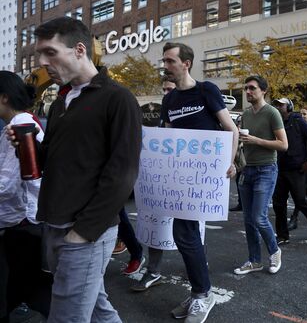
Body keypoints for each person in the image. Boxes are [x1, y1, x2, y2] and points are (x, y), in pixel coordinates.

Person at [13, 17, 142, 322]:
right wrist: (24, 147)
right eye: (39, 55)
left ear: (79, 50)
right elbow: (51, 161)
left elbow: (123, 174)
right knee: (97, 308)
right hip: (55, 224)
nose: (43, 63)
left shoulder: (118, 98)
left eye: (50, 52)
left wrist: (81, 233)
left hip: (85, 233)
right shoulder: (61, 102)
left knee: (66, 316)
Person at [160, 42, 238, 323]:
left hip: (203, 179)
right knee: (187, 234)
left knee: (186, 233)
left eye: (170, 61)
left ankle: (203, 294)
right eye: (165, 61)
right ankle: (199, 293)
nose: (165, 65)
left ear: (186, 63)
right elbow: (167, 141)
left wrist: (229, 162)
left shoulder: (206, 90)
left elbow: (231, 129)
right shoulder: (169, 101)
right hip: (180, 178)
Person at [0, 71, 52, 322]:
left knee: (27, 289)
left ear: (3, 97)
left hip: (22, 222)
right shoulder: (21, 121)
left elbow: (7, 185)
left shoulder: (20, 126)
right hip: (24, 221)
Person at [234, 76, 288, 275]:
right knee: (248, 219)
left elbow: (283, 145)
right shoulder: (246, 114)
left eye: (252, 88)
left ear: (263, 90)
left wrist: (255, 140)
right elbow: (243, 142)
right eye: (246, 88)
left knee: (258, 217)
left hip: (266, 170)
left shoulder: (272, 112)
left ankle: (274, 251)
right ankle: (254, 260)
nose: (248, 91)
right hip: (247, 170)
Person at [131, 79, 176, 293]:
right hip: (158, 181)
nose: (166, 92)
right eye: (164, 89)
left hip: (187, 180)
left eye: (170, 89)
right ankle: (153, 271)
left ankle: (198, 263)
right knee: (156, 225)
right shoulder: (153, 117)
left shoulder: (188, 115)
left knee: (192, 227)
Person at [272, 98, 307, 244]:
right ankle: (282, 235)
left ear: (289, 107)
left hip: (297, 168)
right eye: (277, 105)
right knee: (278, 203)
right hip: (280, 168)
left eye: (282, 105)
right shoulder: (276, 123)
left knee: (300, 200)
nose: (279, 107)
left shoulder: (298, 121)